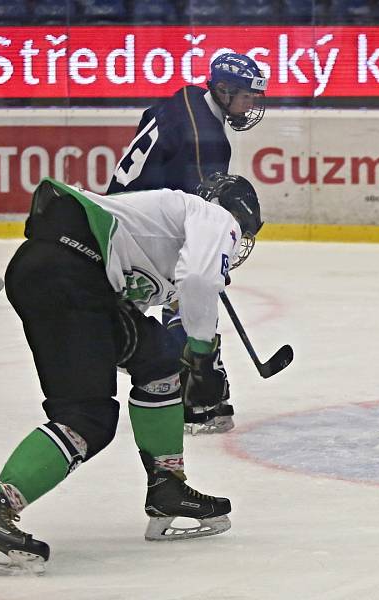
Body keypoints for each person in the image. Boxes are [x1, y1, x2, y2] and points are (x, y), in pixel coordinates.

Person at [0, 172, 263, 574]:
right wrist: (202, 354)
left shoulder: (165, 234)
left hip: (73, 276)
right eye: (243, 230)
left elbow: (183, 298)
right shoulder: (214, 218)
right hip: (67, 275)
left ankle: (168, 486)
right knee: (87, 418)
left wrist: (191, 352)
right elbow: (200, 278)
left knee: (159, 359)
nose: (237, 240)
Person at [108, 52, 269, 434]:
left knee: (180, 289)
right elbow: (205, 203)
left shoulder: (184, 102)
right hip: (142, 228)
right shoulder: (207, 138)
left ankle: (186, 380)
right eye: (247, 96)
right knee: (192, 286)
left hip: (121, 213)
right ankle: (191, 392)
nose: (252, 105)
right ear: (223, 90)